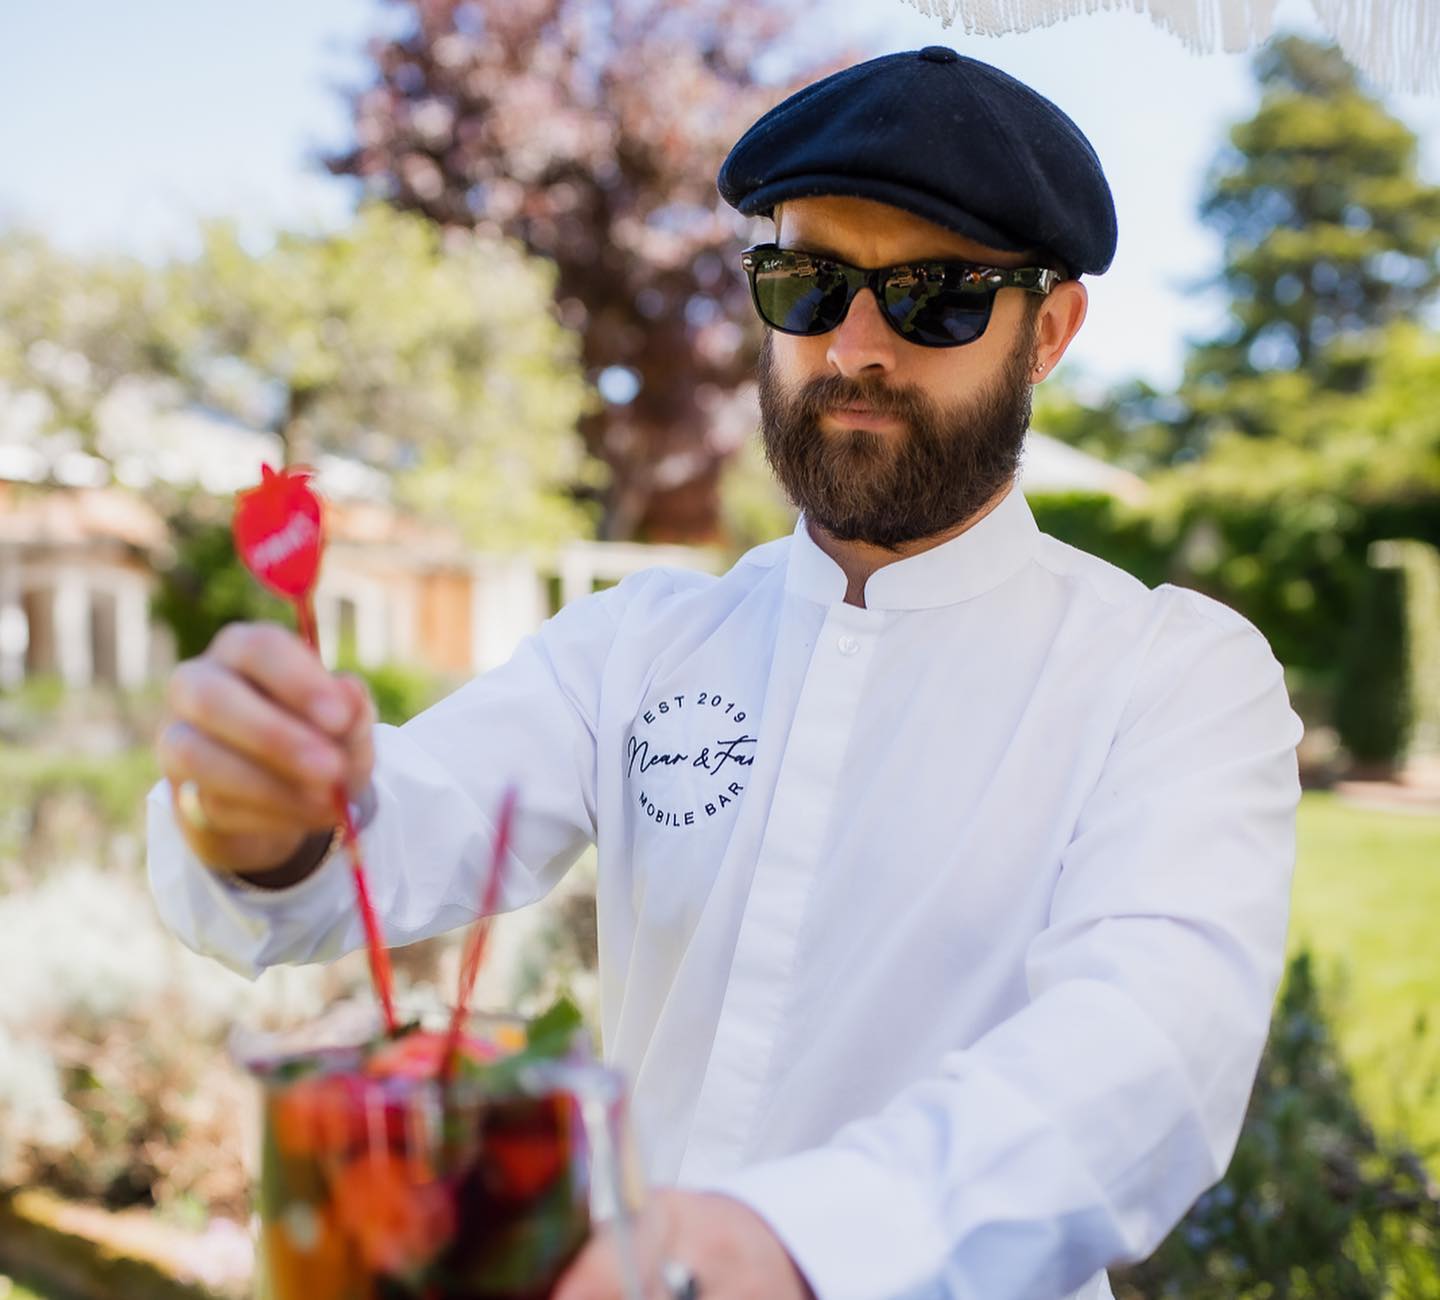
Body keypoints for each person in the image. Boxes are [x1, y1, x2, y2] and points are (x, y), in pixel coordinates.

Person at [147, 46, 1304, 1300]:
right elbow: (381, 844)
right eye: (809, 283)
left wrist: (791, 1243)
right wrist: (257, 816)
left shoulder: (1169, 676)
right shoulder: (639, 643)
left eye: (937, 299)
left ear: (1051, 332)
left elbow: (1148, 1050)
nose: (854, 347)